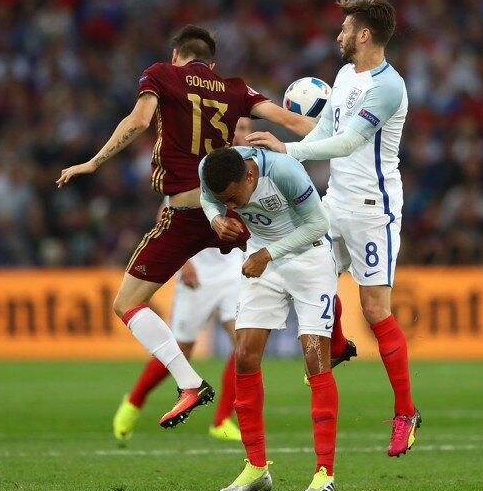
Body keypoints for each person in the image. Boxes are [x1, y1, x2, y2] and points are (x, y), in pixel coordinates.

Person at [57, 25, 313, 429]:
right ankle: (331, 339)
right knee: (302, 249)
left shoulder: (161, 74)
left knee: (126, 303)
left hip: (185, 214)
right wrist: (350, 140)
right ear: (211, 64)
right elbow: (292, 122)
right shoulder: (235, 90)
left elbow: (139, 122)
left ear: (177, 54)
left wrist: (93, 162)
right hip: (232, 210)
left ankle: (189, 384)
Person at [246, 0, 420, 457]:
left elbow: (346, 144)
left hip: (372, 209)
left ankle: (406, 412)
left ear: (365, 35)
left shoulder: (388, 88)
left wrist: (286, 153)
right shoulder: (344, 76)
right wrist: (282, 143)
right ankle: (339, 345)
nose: (338, 35)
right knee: (314, 270)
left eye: (345, 28)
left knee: (375, 310)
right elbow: (324, 130)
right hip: (335, 201)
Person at [200, 146, 339, 491]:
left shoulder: (284, 172)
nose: (232, 206)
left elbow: (318, 224)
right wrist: (216, 218)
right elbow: (209, 201)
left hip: (309, 260)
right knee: (244, 355)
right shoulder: (210, 169)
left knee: (315, 360)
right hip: (262, 261)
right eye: (224, 200)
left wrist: (267, 253)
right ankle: (256, 469)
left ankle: (324, 475)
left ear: (249, 175)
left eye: (233, 198)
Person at [112, 119, 257, 442]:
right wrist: (185, 262)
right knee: (181, 351)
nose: (245, 133)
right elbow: (168, 214)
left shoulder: (250, 171)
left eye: (248, 128)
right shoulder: (203, 166)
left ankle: (221, 421)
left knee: (245, 344)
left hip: (231, 269)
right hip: (197, 275)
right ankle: (133, 403)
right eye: (241, 127)